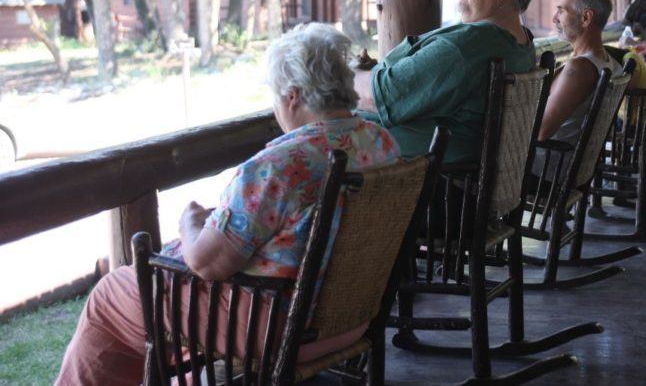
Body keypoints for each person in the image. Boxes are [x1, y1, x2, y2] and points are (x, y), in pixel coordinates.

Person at [57, 24, 402, 386]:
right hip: (353, 319)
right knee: (167, 311)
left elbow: (207, 262)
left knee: (113, 293)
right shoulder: (381, 143)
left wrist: (191, 222)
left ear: (293, 97)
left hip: (283, 329)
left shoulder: (281, 165)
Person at [362, 0, 536, 164]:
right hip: (453, 165)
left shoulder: (469, 45)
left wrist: (346, 76)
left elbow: (381, 97)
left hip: (412, 173)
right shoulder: (521, 44)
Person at [538, 0, 621, 145]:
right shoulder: (607, 61)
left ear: (586, 18)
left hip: (547, 164)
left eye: (561, 10)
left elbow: (540, 131)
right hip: (567, 164)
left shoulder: (580, 69)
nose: (555, 18)